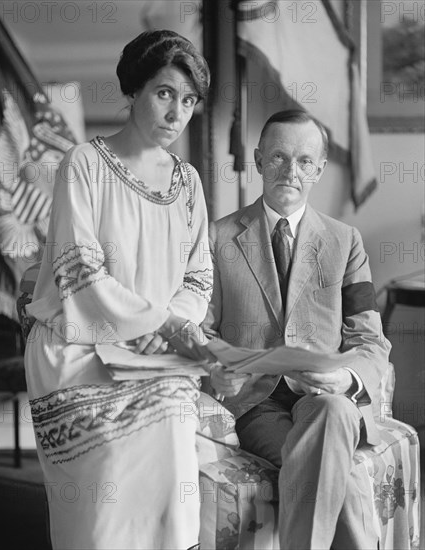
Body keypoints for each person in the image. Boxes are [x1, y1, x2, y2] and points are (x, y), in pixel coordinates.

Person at [24, 30, 212, 550]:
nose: (177, 113)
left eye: (190, 100)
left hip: (154, 352)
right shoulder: (83, 165)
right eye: (165, 93)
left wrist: (165, 326)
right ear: (133, 91)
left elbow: (198, 277)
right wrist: (163, 323)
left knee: (174, 408)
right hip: (78, 347)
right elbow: (81, 275)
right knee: (122, 469)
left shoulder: (188, 182)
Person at [202, 109, 391, 549]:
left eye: (305, 161)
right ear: (258, 159)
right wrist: (219, 365)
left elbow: (369, 338)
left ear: (319, 169)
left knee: (337, 411)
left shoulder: (346, 242)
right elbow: (200, 329)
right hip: (256, 403)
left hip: (326, 395)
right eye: (279, 157)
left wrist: (344, 377)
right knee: (326, 462)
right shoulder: (217, 238)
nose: (291, 171)